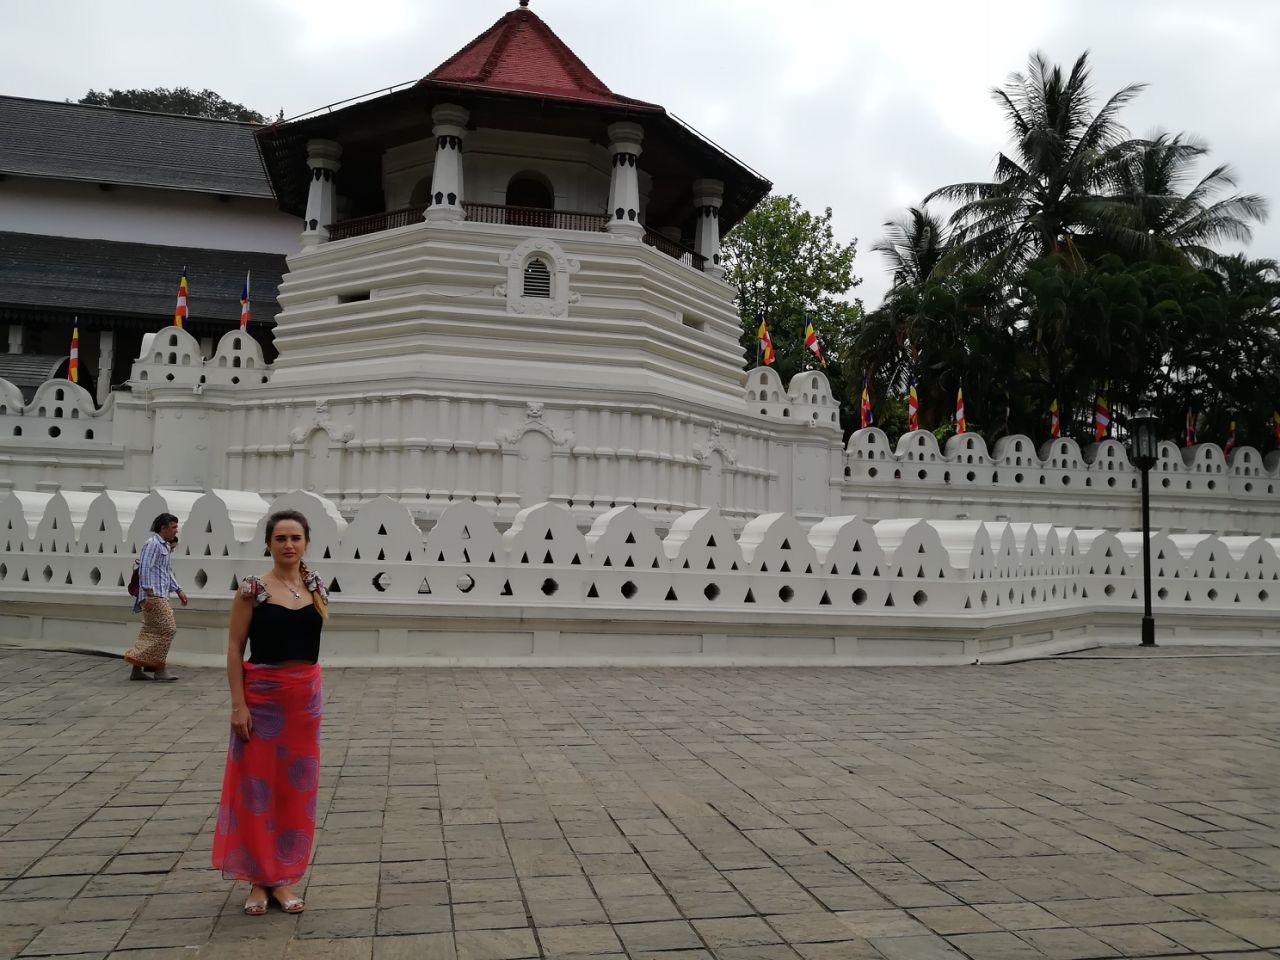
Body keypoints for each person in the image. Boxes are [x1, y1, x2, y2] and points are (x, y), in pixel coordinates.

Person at [211, 509, 328, 916]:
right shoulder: (253, 590)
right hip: (262, 703)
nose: (289, 545)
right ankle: (259, 881)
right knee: (257, 791)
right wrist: (238, 704)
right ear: (268, 544)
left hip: (303, 705)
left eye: (296, 538)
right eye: (280, 538)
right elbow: (234, 648)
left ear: (306, 543)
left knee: (294, 790)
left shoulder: (315, 588)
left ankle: (283, 876)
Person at [123, 512, 187, 681]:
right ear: (163, 528)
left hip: (160, 594)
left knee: (150, 631)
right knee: (168, 629)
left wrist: (178, 590)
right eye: (173, 527)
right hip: (155, 595)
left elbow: (165, 571)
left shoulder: (164, 546)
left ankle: (137, 670)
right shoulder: (152, 544)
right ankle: (159, 669)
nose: (176, 530)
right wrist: (148, 595)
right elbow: (145, 569)